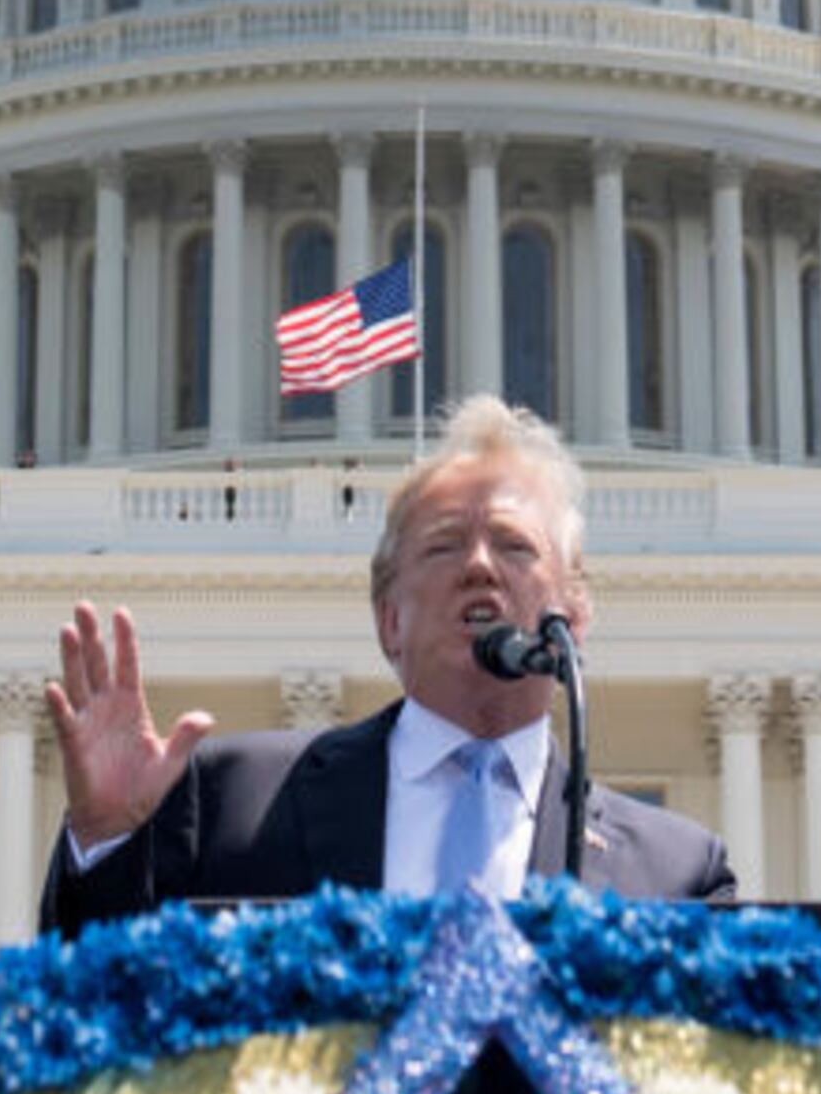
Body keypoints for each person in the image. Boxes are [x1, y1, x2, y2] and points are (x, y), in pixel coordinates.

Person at [40, 395, 736, 934]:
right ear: (389, 621)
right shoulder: (232, 803)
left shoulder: (674, 875)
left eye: (514, 547)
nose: (479, 567)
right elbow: (97, 1021)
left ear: (574, 618)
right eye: (443, 547)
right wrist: (108, 844)